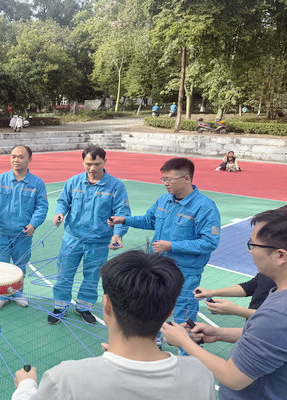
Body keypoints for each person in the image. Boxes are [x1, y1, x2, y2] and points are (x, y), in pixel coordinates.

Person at [12, 250, 215, 400]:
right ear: (170, 311)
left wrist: (25, 386)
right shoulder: (200, 374)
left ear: (106, 304)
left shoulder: (65, 378)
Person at [162, 206, 287, 399]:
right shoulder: (279, 296)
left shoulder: (276, 315)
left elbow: (233, 377)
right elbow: (272, 340)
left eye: (254, 245)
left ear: (280, 256)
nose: (250, 251)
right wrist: (218, 333)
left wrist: (183, 341)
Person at [109, 157, 220, 324]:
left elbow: (209, 242)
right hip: (158, 266)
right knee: (154, 306)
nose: (165, 183)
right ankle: (155, 338)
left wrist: (171, 246)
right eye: (163, 179)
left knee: (183, 310)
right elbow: (149, 220)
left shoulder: (205, 207)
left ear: (187, 178)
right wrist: (124, 220)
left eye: (169, 179)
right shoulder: (164, 199)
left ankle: (186, 341)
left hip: (185, 270)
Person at [49, 146, 131, 325]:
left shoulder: (115, 186)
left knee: (92, 277)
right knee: (64, 273)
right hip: (72, 238)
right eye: (88, 164)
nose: (92, 168)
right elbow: (63, 202)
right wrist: (59, 213)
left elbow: (122, 212)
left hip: (98, 242)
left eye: (97, 164)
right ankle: (60, 306)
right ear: (82, 162)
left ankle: (83, 307)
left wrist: (117, 234)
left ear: (105, 162)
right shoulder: (73, 182)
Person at [0, 145, 48, 311]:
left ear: (30, 159)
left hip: (23, 234)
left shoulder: (37, 183)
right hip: (1, 232)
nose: (16, 160)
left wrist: (34, 224)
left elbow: (41, 207)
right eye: (13, 156)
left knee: (20, 266)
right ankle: (1, 296)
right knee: (1, 266)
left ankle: (17, 293)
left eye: (20, 157)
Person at [193, 272, 275, 319]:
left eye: (253, 247)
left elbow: (275, 318)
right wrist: (211, 292)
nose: (250, 251)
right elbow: (250, 287)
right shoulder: (267, 271)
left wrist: (236, 311)